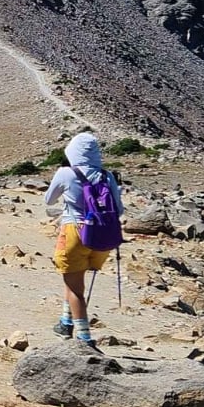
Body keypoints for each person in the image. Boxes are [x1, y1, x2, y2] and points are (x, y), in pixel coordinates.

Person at [44, 132, 123, 348]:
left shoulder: (66, 173)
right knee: (74, 280)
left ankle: (84, 339)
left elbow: (48, 200)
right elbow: (120, 210)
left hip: (74, 232)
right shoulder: (107, 176)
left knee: (75, 286)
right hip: (103, 238)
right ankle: (65, 322)